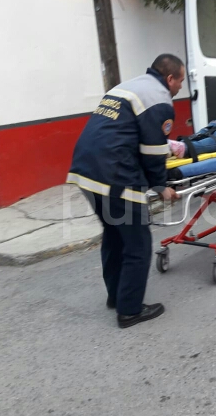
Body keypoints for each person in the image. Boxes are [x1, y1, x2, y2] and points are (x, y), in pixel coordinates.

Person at [67, 54, 183, 328]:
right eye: (180, 81)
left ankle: (116, 296)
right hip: (115, 175)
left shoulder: (128, 87)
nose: (180, 87)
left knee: (115, 234)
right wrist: (161, 187)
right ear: (169, 78)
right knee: (138, 243)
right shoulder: (159, 98)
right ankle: (130, 310)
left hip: (85, 169)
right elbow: (154, 153)